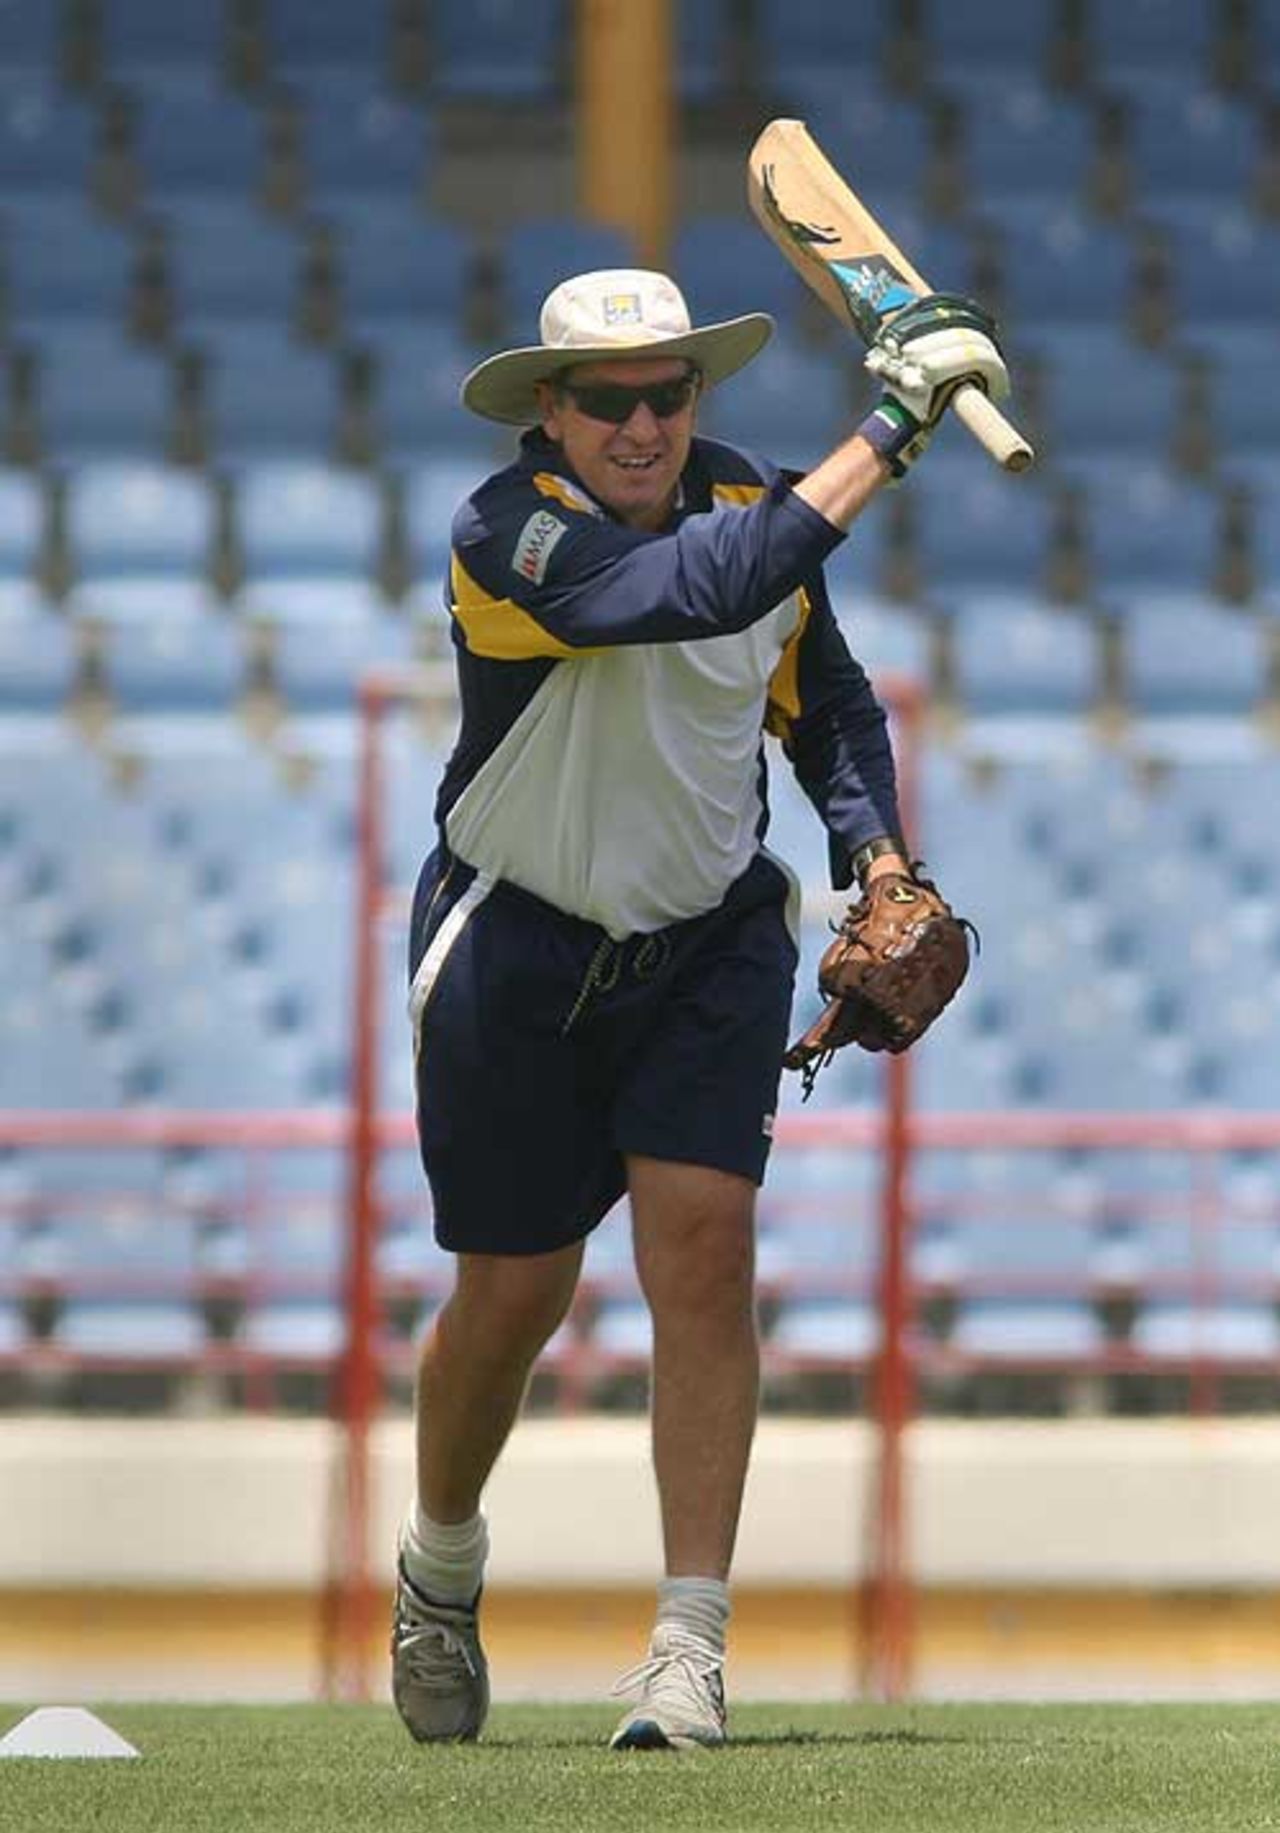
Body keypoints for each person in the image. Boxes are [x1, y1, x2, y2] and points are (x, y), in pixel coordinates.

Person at [390, 268, 1008, 1749]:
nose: (643, 422)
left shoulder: (761, 507)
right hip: (512, 947)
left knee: (705, 1246)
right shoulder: (507, 532)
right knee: (512, 1294)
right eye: (608, 398)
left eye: (670, 393)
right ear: (551, 410)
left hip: (709, 942)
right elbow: (691, 594)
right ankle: (442, 1565)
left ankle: (689, 1646)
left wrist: (878, 851)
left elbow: (827, 700)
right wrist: (900, 423)